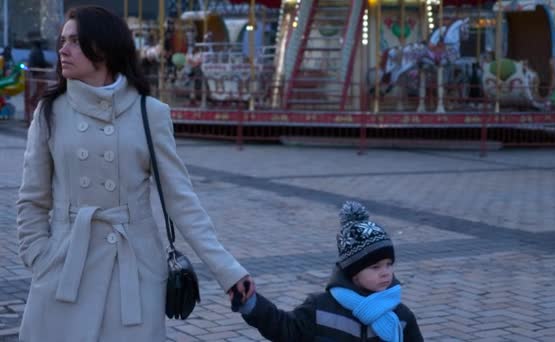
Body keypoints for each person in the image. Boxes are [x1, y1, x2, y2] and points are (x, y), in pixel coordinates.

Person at [16, 6, 254, 341]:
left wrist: (228, 270)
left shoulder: (149, 113)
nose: (63, 50)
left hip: (133, 271)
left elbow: (180, 201)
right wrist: (38, 255)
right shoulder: (50, 112)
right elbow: (32, 199)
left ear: (103, 48)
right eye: (62, 41)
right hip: (65, 266)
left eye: (74, 41)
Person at [235, 201, 424, 341]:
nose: (386, 273)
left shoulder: (401, 316)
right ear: (354, 272)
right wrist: (252, 303)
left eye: (389, 264)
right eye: (375, 267)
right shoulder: (320, 308)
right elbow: (286, 329)